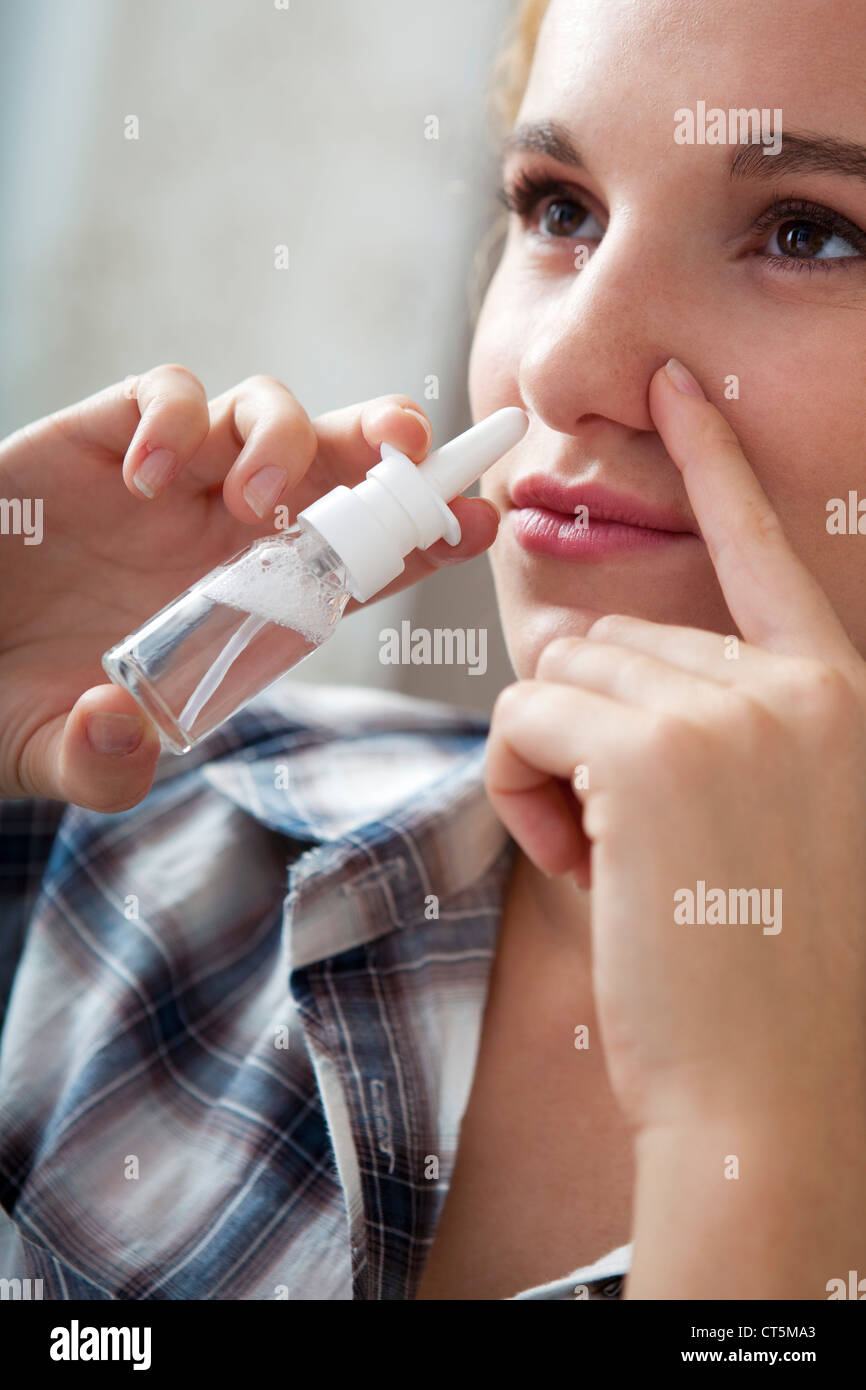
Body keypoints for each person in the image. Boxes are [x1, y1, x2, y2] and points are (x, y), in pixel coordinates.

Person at [2, 0, 866, 1301]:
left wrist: (756, 1148)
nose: (558, 363)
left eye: (807, 232)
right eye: (558, 209)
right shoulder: (138, 829)